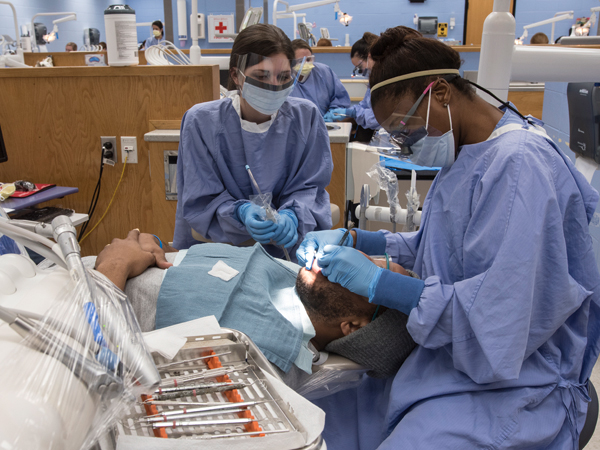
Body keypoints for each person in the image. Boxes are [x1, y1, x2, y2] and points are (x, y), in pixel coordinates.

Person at [296, 26, 600, 448]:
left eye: (405, 129)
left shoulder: (520, 167)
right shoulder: (467, 152)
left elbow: (499, 318)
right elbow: (437, 249)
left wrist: (381, 283)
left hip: (518, 381)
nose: (403, 145)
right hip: (450, 355)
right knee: (316, 419)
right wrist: (358, 241)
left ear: (440, 93)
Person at [91, 229, 415, 387]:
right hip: (99, 273)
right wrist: (157, 250)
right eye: (375, 259)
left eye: (372, 275)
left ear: (354, 326)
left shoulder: (263, 361)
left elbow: (110, 365)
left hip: (76, 308)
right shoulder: (290, 281)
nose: (356, 259)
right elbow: (203, 272)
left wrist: (114, 268)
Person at [173, 24, 333, 262]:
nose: (274, 86)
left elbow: (310, 188)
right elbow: (200, 197)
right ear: (236, 75)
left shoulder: (306, 118)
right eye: (261, 76)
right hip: (221, 253)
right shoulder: (201, 122)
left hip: (287, 253)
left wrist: (293, 215)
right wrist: (239, 211)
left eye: (284, 77)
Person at [324, 32, 380, 142]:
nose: (362, 71)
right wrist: (346, 111)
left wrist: (353, 114)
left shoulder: (384, 80)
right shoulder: (374, 81)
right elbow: (365, 105)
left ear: (370, 56)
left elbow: (378, 118)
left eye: (360, 66)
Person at [289, 39, 351, 116]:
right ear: (291, 62)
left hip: (325, 123)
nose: (305, 64)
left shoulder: (324, 72)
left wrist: (333, 114)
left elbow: (340, 99)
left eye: (308, 59)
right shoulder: (285, 79)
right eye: (301, 61)